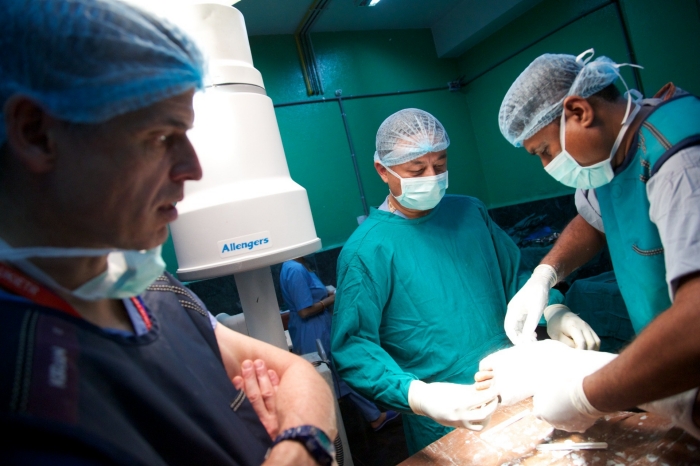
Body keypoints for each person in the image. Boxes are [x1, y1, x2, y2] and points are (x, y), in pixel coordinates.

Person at [0, 1, 337, 465]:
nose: (192, 169)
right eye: (161, 137)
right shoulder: (23, 378)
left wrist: (297, 443)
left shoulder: (146, 285)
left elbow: (300, 374)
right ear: (37, 133)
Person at [330, 108, 599, 454]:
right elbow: (353, 348)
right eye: (416, 170)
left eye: (440, 164)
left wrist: (554, 308)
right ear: (383, 171)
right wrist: (421, 396)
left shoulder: (470, 212)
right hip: (445, 418)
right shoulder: (366, 251)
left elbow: (514, 277)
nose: (432, 176)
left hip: (519, 386)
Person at [494, 49, 700, 436]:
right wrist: (544, 276)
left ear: (579, 112)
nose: (547, 165)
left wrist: (585, 397)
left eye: (544, 151)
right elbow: (594, 220)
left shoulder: (680, 160)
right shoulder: (611, 157)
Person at [280, 258, 399, 431]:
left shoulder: (294, 266)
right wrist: (333, 299)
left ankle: (373, 416)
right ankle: (344, 426)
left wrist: (325, 296)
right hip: (312, 331)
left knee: (337, 375)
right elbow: (304, 310)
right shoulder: (295, 269)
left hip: (316, 328)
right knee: (329, 375)